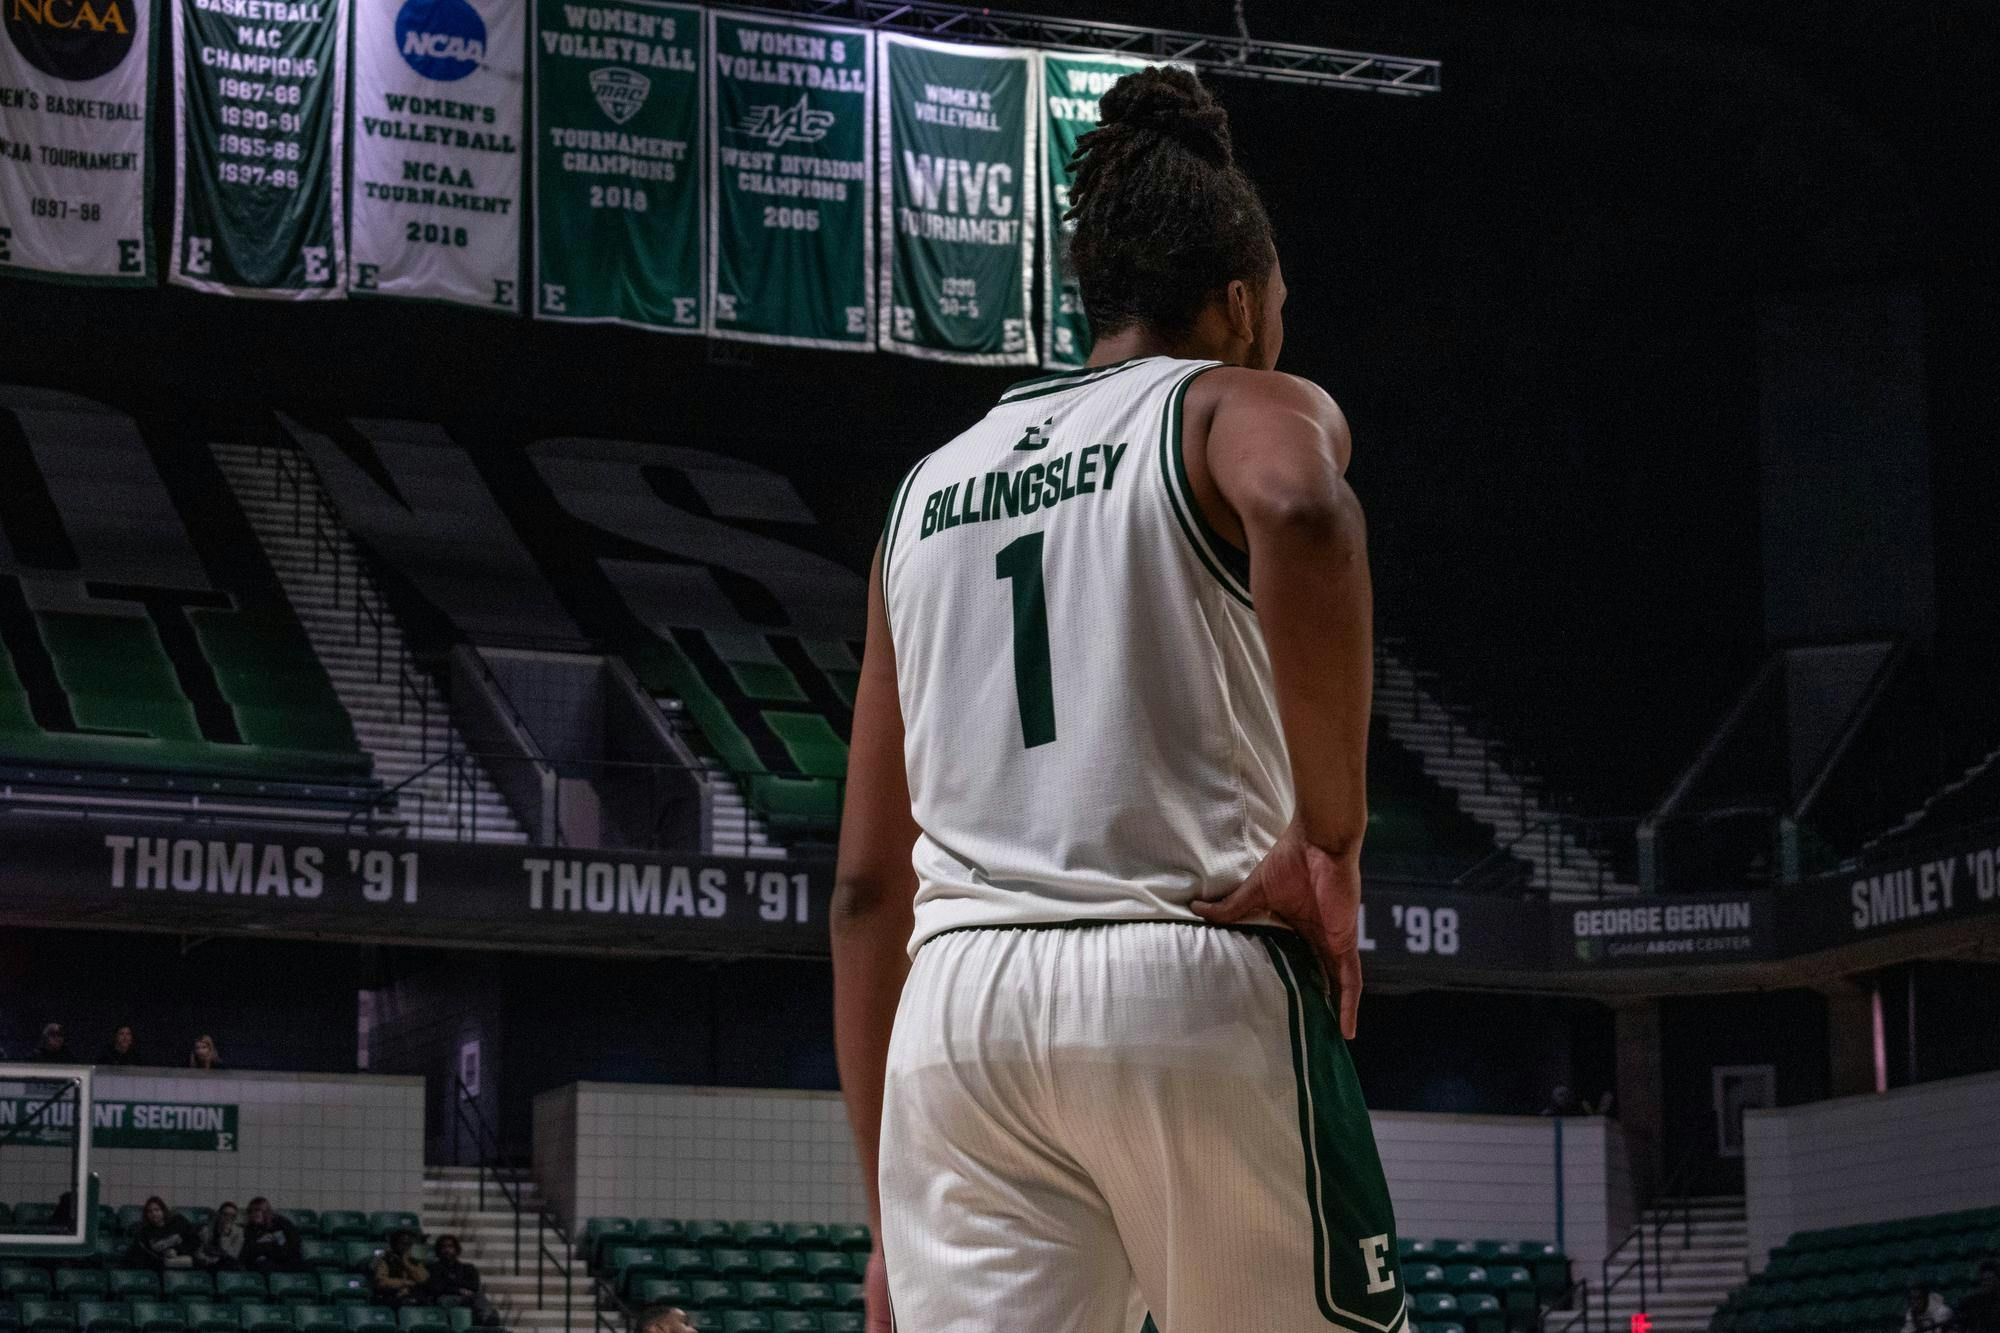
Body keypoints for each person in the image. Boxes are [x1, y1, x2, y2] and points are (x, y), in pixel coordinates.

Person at [833, 66, 1400, 1333]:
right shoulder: (1226, 401)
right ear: (1242, 303)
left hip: (956, 1015)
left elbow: (869, 887)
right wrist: (1330, 840)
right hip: (1178, 966)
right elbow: (1305, 510)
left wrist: (889, 1215)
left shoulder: (922, 493)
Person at [421, 1235, 498, 1326]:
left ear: (456, 1249)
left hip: (467, 1297)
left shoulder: (468, 1268)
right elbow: (436, 1287)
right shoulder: (433, 1268)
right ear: (439, 1250)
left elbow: (474, 1285)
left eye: (450, 1246)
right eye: (444, 1247)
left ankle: (488, 1319)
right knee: (446, 1300)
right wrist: (458, 1290)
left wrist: (450, 1282)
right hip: (445, 1298)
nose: (447, 1250)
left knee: (478, 1295)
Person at [126, 1197, 200, 1270]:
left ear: (163, 1211)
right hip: (163, 1266)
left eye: (157, 1210)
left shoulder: (178, 1222)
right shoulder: (145, 1232)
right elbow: (143, 1256)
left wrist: (177, 1250)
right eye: (149, 1211)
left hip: (186, 1261)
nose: (154, 1214)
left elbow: (194, 1241)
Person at [371, 1230, 430, 1309]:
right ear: (393, 1244)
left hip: (413, 1297)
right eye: (403, 1243)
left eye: (409, 1244)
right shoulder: (384, 1260)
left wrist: (405, 1263)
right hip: (391, 1297)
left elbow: (423, 1279)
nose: (406, 1247)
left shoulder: (414, 1262)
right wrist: (406, 1283)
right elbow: (381, 1282)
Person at [241, 1198, 302, 1273]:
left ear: (266, 1211)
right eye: (250, 1211)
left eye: (257, 1210)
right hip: (266, 1264)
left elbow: (293, 1245)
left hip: (286, 1261)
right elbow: (249, 1250)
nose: (254, 1213)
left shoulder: (282, 1223)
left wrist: (265, 1244)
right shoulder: (250, 1229)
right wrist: (269, 1245)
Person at [1951, 1262, 2000, 1333]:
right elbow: (1958, 1307)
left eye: (1989, 1280)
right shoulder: (1975, 1299)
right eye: (1983, 1280)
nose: (1986, 1283)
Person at [199, 1201, 244, 1270]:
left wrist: (224, 1236)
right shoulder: (207, 1230)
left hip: (226, 1263)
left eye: (232, 1216)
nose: (228, 1218)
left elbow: (233, 1254)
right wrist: (208, 1260)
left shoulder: (238, 1232)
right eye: (225, 1214)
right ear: (219, 1214)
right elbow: (200, 1250)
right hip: (208, 1262)